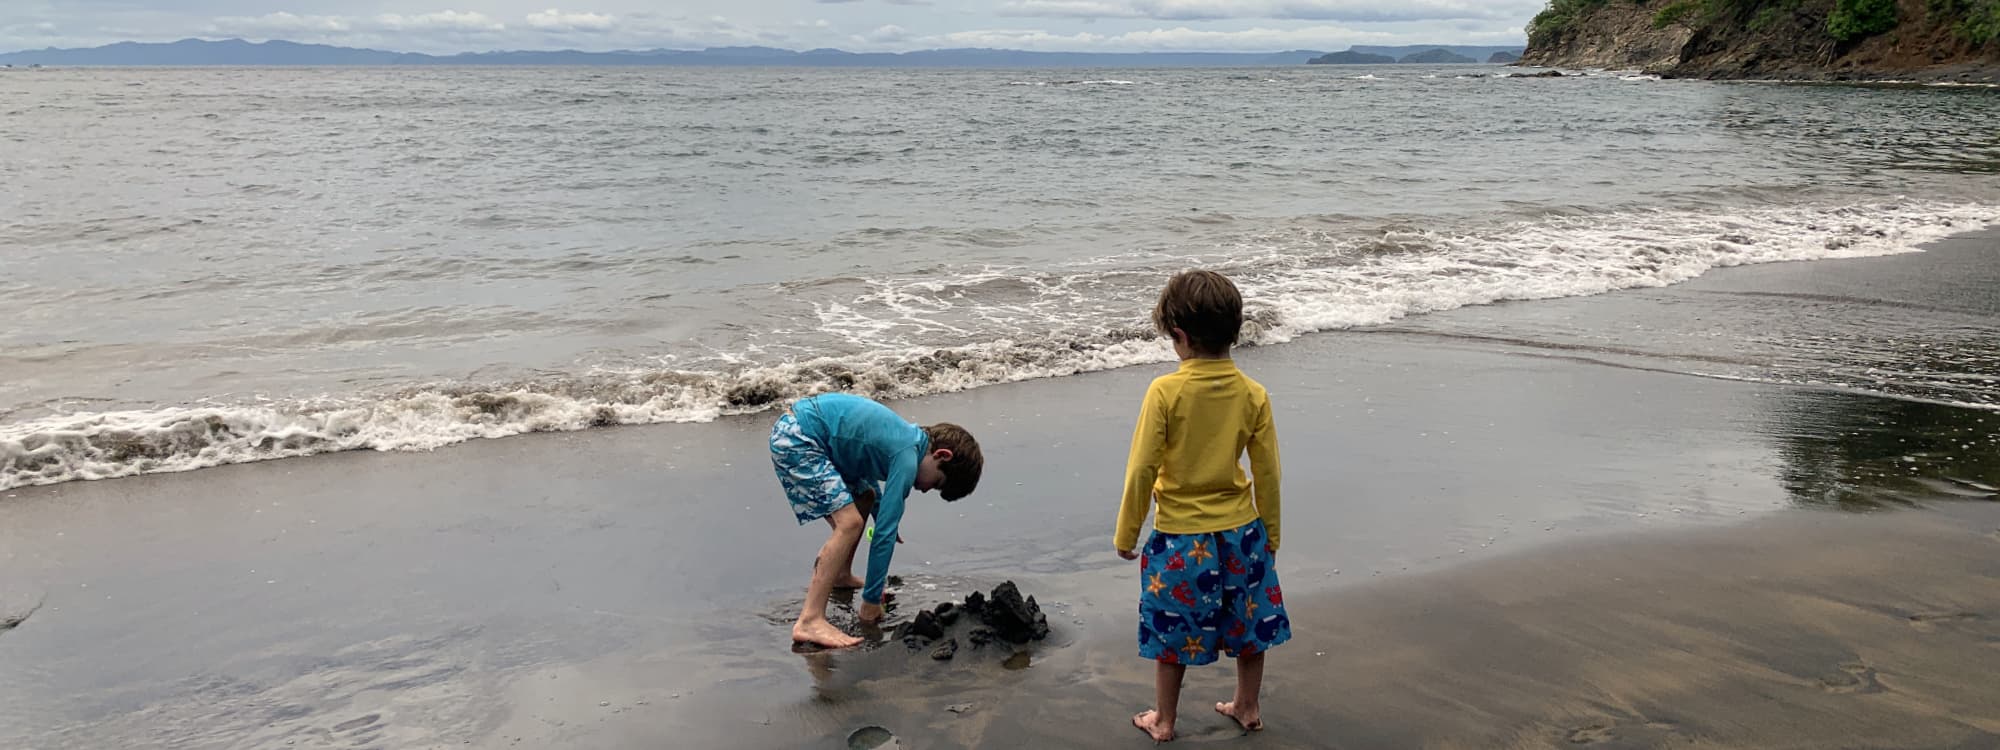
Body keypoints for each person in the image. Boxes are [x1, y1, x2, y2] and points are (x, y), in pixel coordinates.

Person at [1114, 270, 1289, 741]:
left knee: (1173, 632)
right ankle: (1247, 706)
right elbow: (1267, 471)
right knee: (1251, 624)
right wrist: (1271, 533)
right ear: (1235, 331)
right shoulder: (1254, 394)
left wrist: (1127, 533)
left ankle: (1165, 720)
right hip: (1243, 533)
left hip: (1179, 540)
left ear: (1179, 337)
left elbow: (1141, 470)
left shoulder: (1165, 393)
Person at [770, 392, 983, 649]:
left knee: (865, 496)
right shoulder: (906, 457)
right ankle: (810, 620)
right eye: (936, 483)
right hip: (799, 438)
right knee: (850, 523)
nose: (926, 490)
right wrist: (871, 602)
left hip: (807, 431)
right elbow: (883, 535)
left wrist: (883, 515)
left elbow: (864, 465)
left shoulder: (906, 440)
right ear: (942, 455)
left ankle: (841, 575)